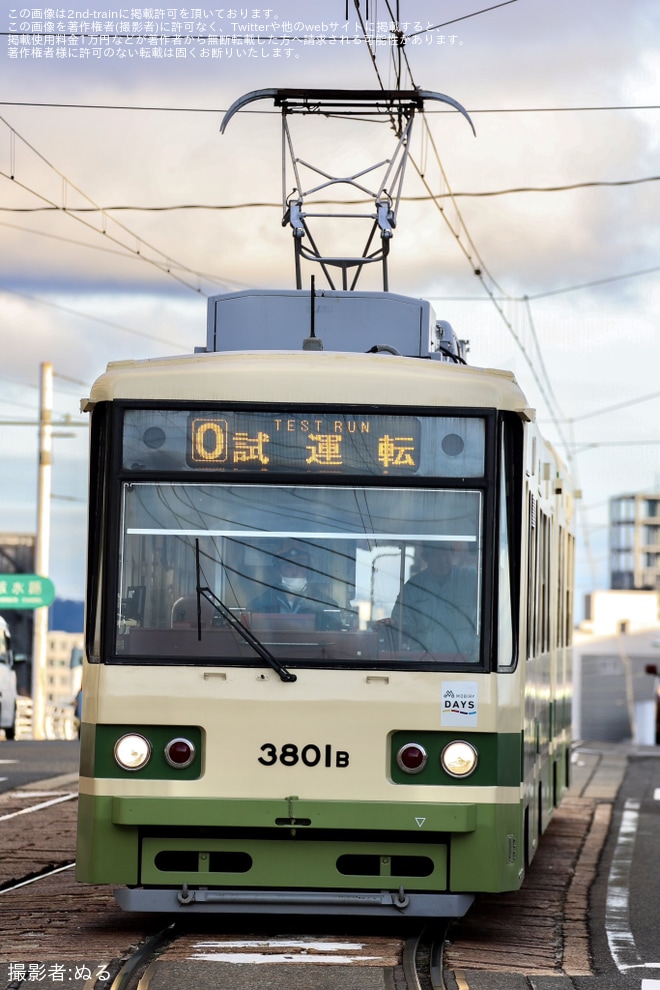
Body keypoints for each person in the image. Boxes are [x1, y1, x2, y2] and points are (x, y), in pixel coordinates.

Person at [390, 542, 479, 659]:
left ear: (452, 555)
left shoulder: (471, 579)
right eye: (436, 555)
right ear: (425, 557)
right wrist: (390, 626)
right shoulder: (412, 588)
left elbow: (499, 581)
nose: (443, 560)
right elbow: (400, 627)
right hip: (423, 664)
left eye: (446, 554)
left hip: (467, 665)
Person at [248, 546, 342, 630]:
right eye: (288, 567)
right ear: (278, 572)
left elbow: (336, 638)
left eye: (300, 566)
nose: (295, 572)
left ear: (308, 570)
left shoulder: (327, 605)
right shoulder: (260, 604)